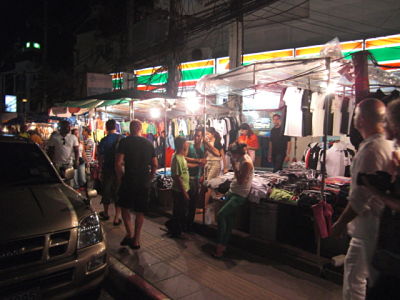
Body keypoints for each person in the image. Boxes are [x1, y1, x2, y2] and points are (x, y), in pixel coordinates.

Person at [331, 98, 394, 300]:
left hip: (370, 224)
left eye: (356, 115)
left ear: (362, 120)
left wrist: (340, 223)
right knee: (359, 274)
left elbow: (360, 197)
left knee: (359, 277)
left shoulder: (371, 150)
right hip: (377, 223)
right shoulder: (386, 145)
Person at [361, 98, 400, 299]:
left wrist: (375, 191)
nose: (385, 127)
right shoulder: (392, 150)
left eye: (389, 122)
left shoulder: (373, 147)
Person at [115, 119, 157, 249]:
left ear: (130, 128)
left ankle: (129, 233)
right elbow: (155, 164)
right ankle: (136, 240)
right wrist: (149, 178)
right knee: (140, 211)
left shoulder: (124, 142)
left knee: (124, 208)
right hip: (143, 181)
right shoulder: (149, 143)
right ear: (141, 129)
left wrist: (120, 177)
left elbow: (118, 162)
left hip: (128, 179)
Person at [214, 143, 254, 258]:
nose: (231, 156)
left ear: (236, 153)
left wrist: (234, 166)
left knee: (221, 215)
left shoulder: (246, 162)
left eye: (232, 154)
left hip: (239, 195)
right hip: (232, 191)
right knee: (229, 219)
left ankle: (220, 245)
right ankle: (222, 248)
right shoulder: (241, 159)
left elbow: (241, 180)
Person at [98, 120, 123, 225]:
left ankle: (106, 213)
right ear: (116, 127)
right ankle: (117, 218)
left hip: (107, 169)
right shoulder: (122, 138)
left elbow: (100, 157)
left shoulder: (103, 140)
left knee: (106, 190)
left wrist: (100, 169)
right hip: (119, 169)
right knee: (118, 192)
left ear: (106, 128)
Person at [168, 136, 193, 237]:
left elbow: (186, 165)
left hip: (183, 189)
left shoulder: (181, 156)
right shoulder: (177, 158)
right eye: (186, 143)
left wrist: (198, 163)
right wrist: (184, 192)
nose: (188, 144)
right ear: (182, 145)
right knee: (179, 212)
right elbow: (177, 177)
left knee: (181, 211)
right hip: (179, 191)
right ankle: (176, 232)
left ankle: (177, 230)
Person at [185, 128, 206, 232]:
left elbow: (205, 161)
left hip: (197, 178)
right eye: (195, 136)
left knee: (193, 203)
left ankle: (189, 224)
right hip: (189, 178)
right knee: (187, 202)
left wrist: (203, 174)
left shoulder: (203, 147)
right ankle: (185, 224)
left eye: (198, 136)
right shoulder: (189, 145)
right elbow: (184, 158)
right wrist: (197, 161)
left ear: (202, 137)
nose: (196, 138)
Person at [203, 127, 225, 210]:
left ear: (213, 134)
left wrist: (225, 167)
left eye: (208, 134)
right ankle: (221, 199)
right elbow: (206, 154)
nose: (207, 135)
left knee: (209, 185)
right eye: (206, 134)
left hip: (215, 164)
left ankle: (204, 207)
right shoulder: (207, 142)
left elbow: (219, 154)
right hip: (207, 164)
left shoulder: (217, 142)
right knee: (212, 185)